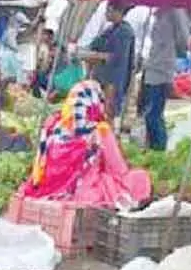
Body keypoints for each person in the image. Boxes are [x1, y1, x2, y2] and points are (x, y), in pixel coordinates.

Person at [21, 79, 151, 206]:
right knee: (139, 178)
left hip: (49, 188)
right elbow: (118, 169)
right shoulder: (99, 130)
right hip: (84, 192)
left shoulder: (54, 126)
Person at [140, 8, 189, 151]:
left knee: (153, 116)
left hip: (162, 70)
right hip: (153, 67)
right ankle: (154, 149)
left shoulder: (176, 11)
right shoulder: (159, 14)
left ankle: (159, 151)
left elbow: (184, 40)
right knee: (150, 115)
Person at [78, 1, 136, 119]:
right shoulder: (110, 29)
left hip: (113, 81)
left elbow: (114, 58)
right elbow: (94, 45)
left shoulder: (124, 32)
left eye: (108, 10)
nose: (105, 13)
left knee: (108, 114)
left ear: (117, 11)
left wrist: (92, 56)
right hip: (102, 78)